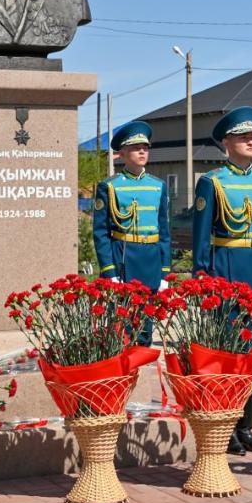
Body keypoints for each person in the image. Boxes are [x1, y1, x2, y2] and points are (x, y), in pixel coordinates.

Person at [192, 106, 252, 456]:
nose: (250, 141)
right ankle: (223, 426)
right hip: (225, 279)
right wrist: (203, 282)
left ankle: (245, 427)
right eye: (243, 137)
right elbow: (201, 242)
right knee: (225, 355)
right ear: (226, 142)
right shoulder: (211, 182)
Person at [92, 121, 171, 345]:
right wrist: (109, 270)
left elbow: (164, 232)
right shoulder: (110, 186)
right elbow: (101, 233)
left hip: (151, 259)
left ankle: (142, 362)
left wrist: (165, 272)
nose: (142, 151)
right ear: (123, 152)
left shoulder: (158, 186)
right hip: (123, 257)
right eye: (136, 147)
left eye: (145, 147)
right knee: (123, 322)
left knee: (146, 324)